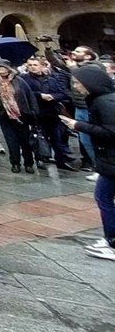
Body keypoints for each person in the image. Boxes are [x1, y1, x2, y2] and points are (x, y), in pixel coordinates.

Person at [59, 64, 115, 261]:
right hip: (109, 160)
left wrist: (77, 125)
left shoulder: (104, 102)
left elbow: (110, 132)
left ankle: (113, 242)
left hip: (112, 160)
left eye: (77, 82)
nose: (75, 86)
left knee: (104, 198)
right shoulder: (101, 99)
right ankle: (110, 238)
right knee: (104, 198)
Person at [0, 58, 38, 173]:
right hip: (4, 115)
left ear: (8, 69)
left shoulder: (19, 80)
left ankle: (29, 163)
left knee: (25, 141)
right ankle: (15, 163)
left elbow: (29, 96)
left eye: (1, 67)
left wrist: (32, 112)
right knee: (11, 141)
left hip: (21, 115)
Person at [21, 57, 77, 170]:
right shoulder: (24, 79)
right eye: (30, 65)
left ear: (42, 66)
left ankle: (61, 160)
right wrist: (39, 95)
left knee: (57, 138)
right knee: (39, 137)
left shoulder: (52, 78)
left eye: (35, 65)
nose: (32, 67)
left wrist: (53, 97)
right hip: (36, 112)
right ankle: (40, 159)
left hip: (52, 111)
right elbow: (25, 94)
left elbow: (63, 93)